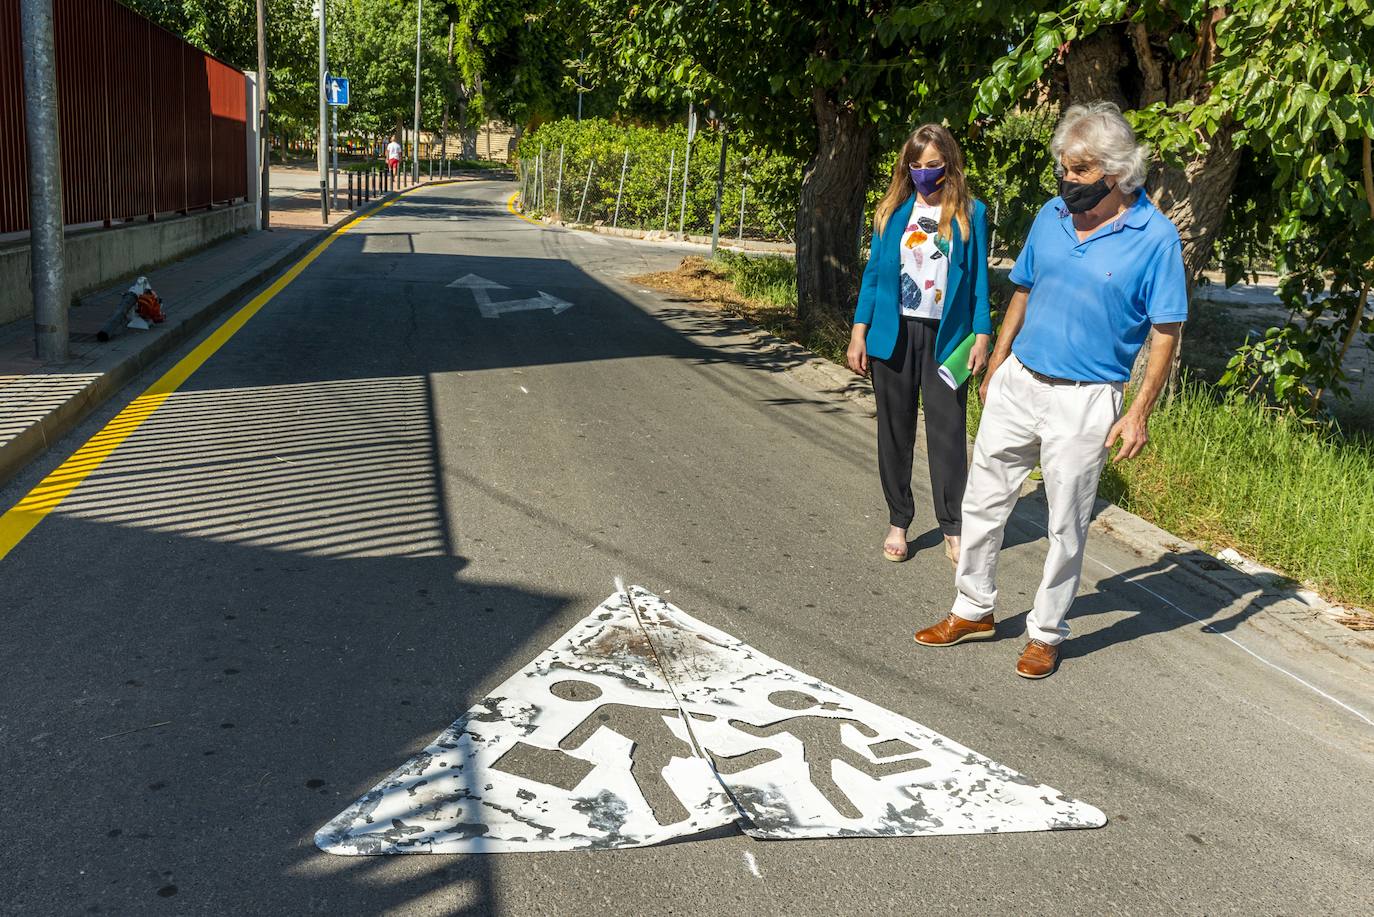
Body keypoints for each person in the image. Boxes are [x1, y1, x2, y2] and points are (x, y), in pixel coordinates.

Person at [912, 101, 1189, 679]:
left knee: (1066, 521)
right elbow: (1024, 288)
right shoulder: (1052, 214)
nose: (1068, 180)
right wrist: (998, 361)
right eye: (1063, 168)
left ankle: (1045, 632)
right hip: (1021, 381)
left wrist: (1138, 412)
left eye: (1080, 170)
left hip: (1086, 398)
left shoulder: (1156, 238)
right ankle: (973, 609)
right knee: (983, 500)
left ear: (1117, 171)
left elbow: (1165, 332)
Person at [848, 124, 992, 567]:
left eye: (933, 165)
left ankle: (953, 526)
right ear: (906, 167)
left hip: (949, 339)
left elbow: (979, 282)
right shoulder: (892, 213)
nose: (924, 173)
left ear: (949, 164)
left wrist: (983, 335)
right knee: (895, 432)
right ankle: (898, 521)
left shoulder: (971, 213)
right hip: (892, 335)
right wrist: (858, 331)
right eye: (916, 165)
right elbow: (874, 276)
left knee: (948, 434)